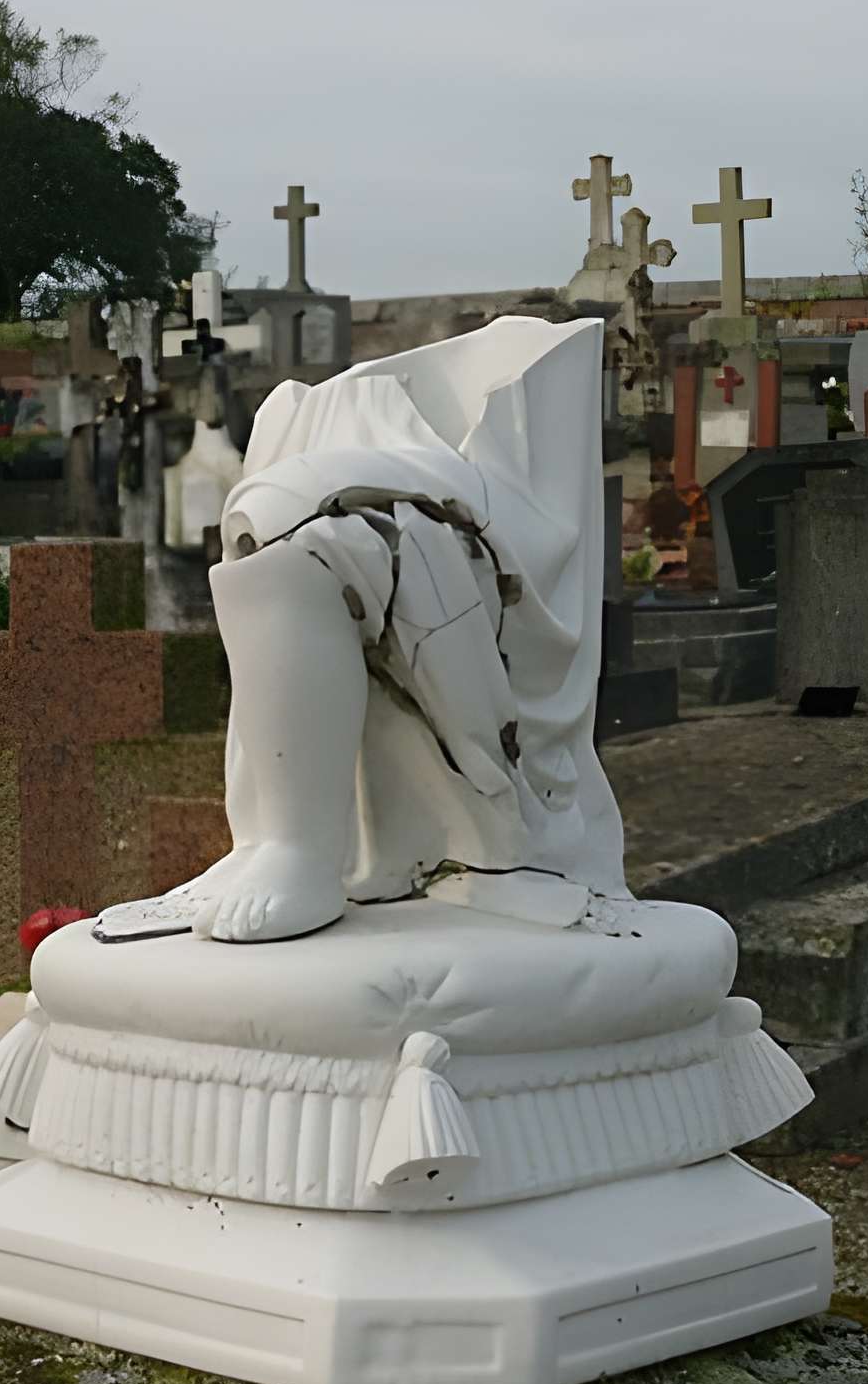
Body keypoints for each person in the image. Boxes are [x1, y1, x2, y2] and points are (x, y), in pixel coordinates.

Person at [97, 315, 626, 945]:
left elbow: (528, 508)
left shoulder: (537, 359)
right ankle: (291, 846)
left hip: (474, 522)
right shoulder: (308, 415)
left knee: (306, 539)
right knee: (285, 539)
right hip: (384, 495)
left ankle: (302, 854)